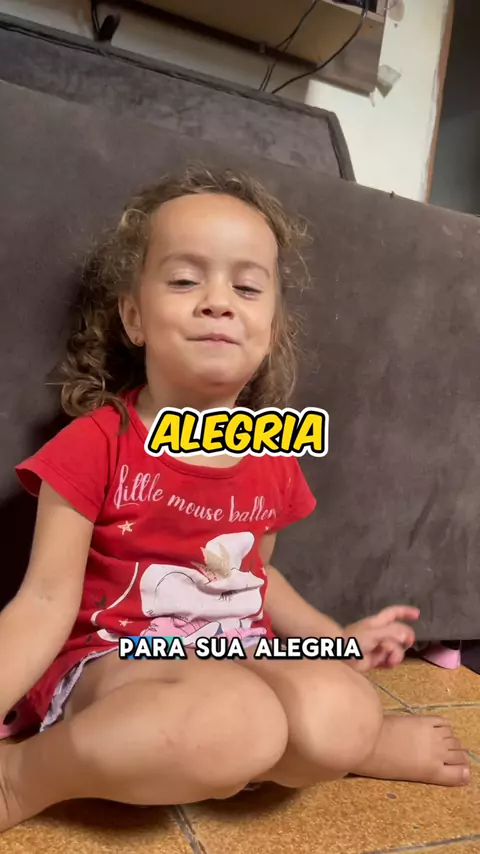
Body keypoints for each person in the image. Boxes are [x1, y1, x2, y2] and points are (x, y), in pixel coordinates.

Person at [0, 167, 469, 831]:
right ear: (133, 316)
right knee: (236, 721)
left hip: (237, 655)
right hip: (122, 662)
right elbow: (44, 603)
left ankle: (351, 748)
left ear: (271, 329)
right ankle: (23, 778)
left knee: (343, 713)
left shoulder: (272, 455)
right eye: (185, 280)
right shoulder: (95, 444)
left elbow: (256, 577)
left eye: (246, 288)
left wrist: (334, 643)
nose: (218, 302)